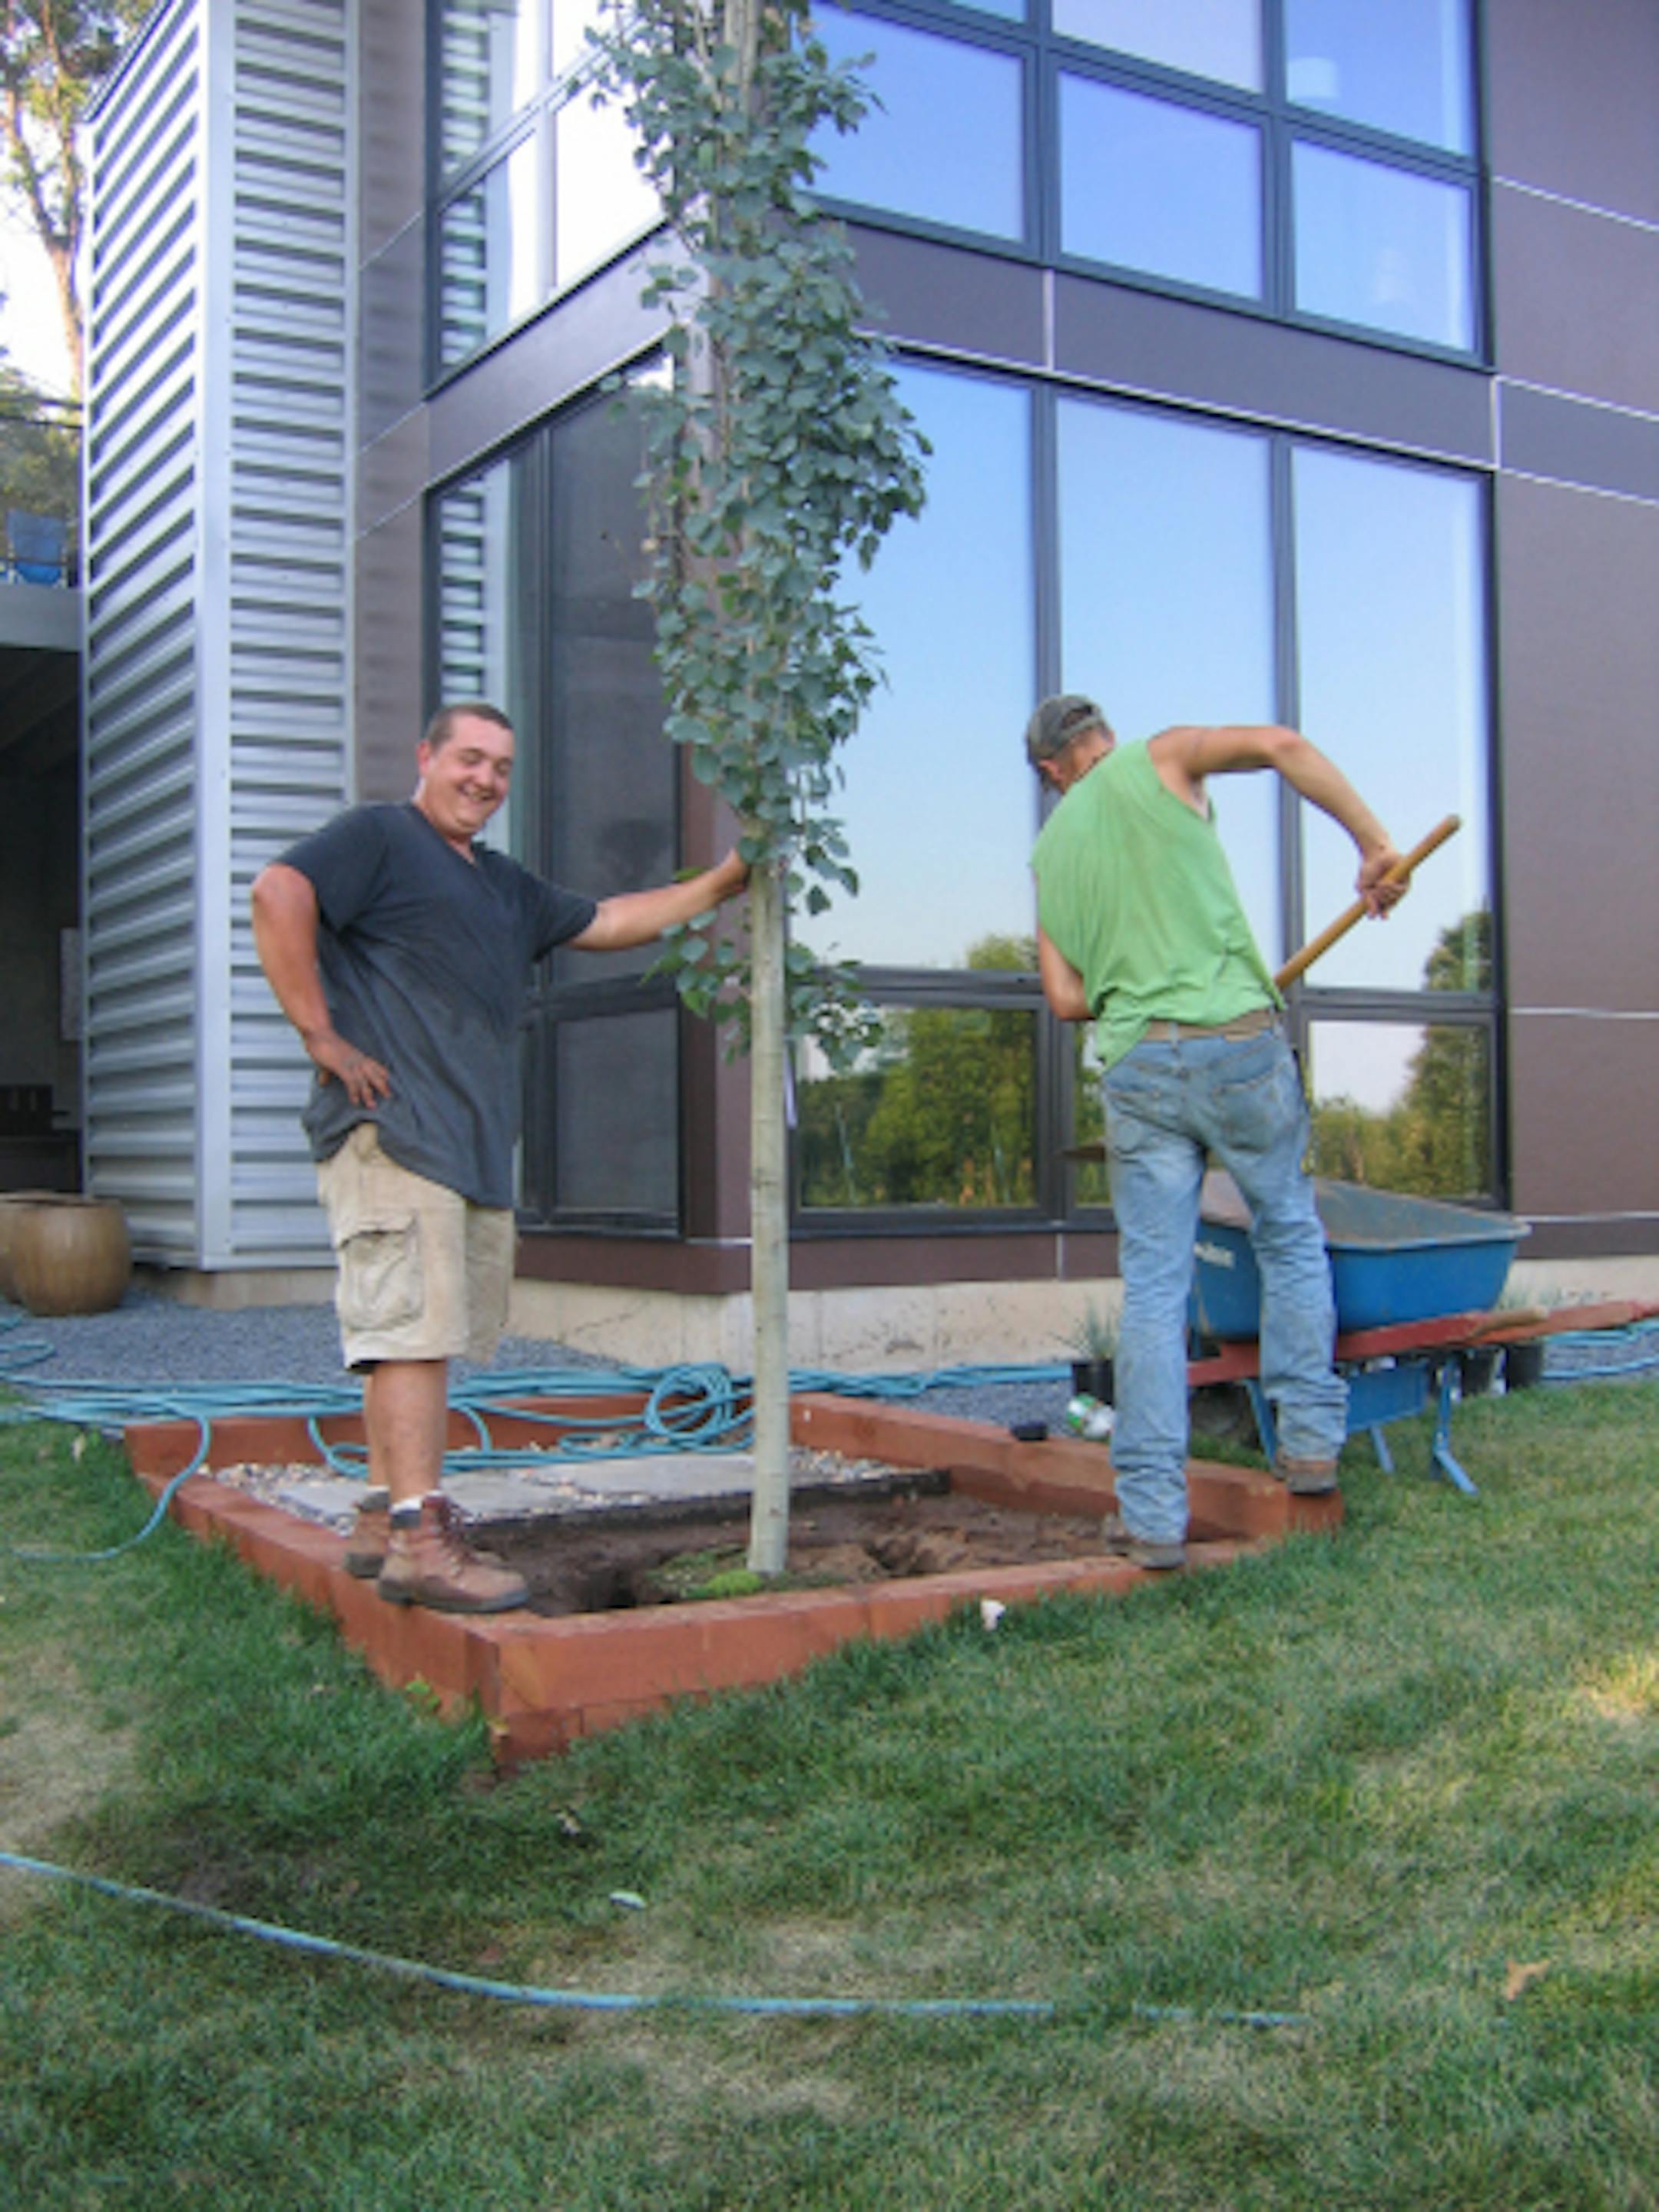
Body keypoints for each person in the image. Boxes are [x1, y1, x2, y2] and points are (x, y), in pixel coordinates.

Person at [251, 701, 748, 1614]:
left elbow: (606, 919)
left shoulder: (500, 884)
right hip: (395, 1130)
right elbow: (279, 892)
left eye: (502, 768)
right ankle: (419, 1540)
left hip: (463, 1145)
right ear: (427, 757)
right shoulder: (380, 838)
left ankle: (379, 1514)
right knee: (411, 1333)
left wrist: (721, 885)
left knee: (421, 1337)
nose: (485, 780)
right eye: (469, 759)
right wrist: (319, 1033)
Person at [1026, 695, 1404, 1571]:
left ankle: (1152, 1519)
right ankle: (1309, 1446)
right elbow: (1281, 745)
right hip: (1236, 1045)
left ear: (1052, 772)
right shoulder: (1164, 758)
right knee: (1286, 1230)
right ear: (1099, 740)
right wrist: (1374, 846)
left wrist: (1135, 980)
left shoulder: (1049, 857)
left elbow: (1066, 999)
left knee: (1155, 1288)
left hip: (1138, 1070)